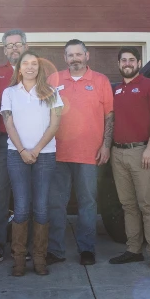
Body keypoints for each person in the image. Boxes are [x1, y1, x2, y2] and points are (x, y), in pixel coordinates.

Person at [45, 39, 113, 266]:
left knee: (88, 203)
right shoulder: (53, 80)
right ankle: (55, 250)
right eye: (70, 55)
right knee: (56, 204)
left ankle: (87, 249)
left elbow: (109, 117)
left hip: (89, 154)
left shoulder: (101, 81)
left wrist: (106, 145)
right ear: (65, 58)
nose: (75, 58)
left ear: (87, 56)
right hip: (57, 153)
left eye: (78, 54)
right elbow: (43, 114)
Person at [0, 51, 63, 276]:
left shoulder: (52, 92)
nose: (29, 67)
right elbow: (8, 124)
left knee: (42, 207)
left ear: (39, 68)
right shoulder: (9, 93)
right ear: (19, 68)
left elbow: (55, 125)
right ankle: (18, 260)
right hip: (16, 155)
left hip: (44, 155)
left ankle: (39, 258)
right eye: (25, 63)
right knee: (21, 206)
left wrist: (35, 150)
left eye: (34, 63)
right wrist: (22, 150)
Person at [108, 47, 150, 270]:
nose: (127, 63)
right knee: (128, 205)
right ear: (119, 64)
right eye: (123, 60)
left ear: (139, 62)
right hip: (118, 153)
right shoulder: (115, 90)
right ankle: (133, 249)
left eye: (131, 60)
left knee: (147, 205)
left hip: (141, 152)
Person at [0, 29, 29, 265]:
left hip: (30, 141)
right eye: (9, 45)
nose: (14, 49)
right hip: (2, 142)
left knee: (26, 194)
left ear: (26, 47)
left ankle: (25, 245)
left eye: (18, 44)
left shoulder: (36, 70)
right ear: (4, 50)